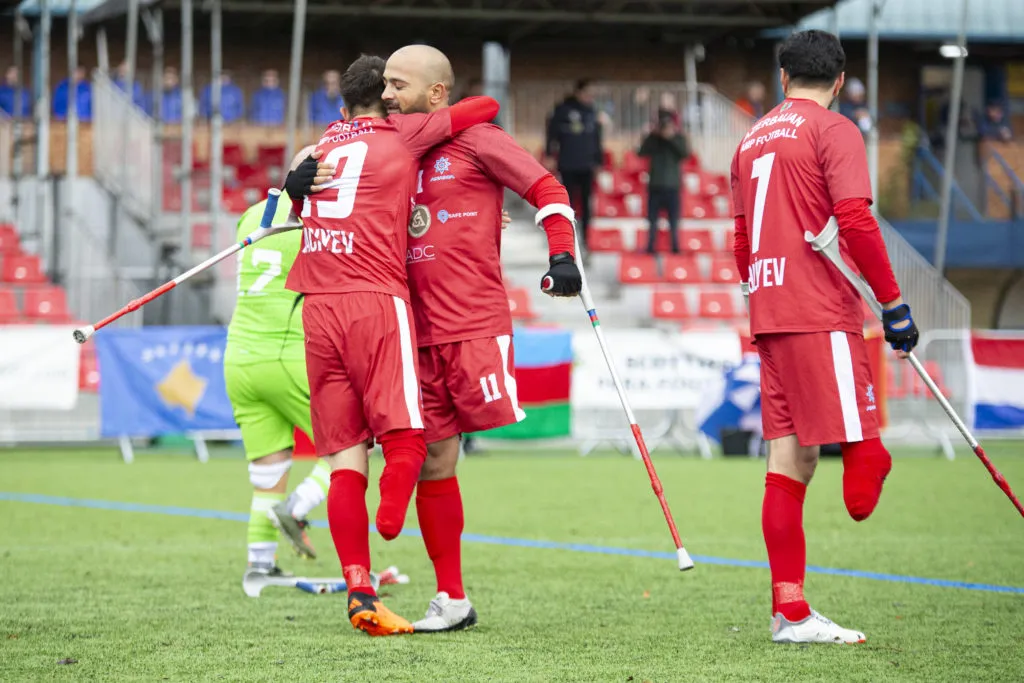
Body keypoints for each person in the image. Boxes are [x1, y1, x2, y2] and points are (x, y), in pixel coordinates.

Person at [283, 54, 499, 637]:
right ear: (386, 97)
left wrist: (291, 177)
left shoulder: (316, 149)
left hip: (316, 305)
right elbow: (483, 108)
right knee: (407, 435)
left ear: (339, 104)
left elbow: (296, 203)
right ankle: (390, 518)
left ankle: (359, 589)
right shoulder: (401, 132)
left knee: (343, 455)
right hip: (375, 299)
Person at [379, 44, 581, 632]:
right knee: (432, 458)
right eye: (384, 84)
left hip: (469, 324)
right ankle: (452, 598)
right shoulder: (385, 146)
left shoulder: (478, 140)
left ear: (437, 94)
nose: (387, 94)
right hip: (405, 327)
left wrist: (562, 255)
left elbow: (548, 189)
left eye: (398, 84)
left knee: (446, 454)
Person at [730, 29, 919, 645]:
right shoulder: (834, 128)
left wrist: (762, 288)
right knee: (858, 450)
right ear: (839, 81)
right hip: (817, 304)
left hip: (769, 305)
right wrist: (892, 301)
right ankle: (869, 455)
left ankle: (790, 612)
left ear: (783, 77)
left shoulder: (751, 136)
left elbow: (739, 237)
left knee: (792, 459)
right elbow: (856, 217)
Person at [225, 153, 335, 585]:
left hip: (239, 358)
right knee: (355, 445)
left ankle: (259, 565)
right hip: (287, 354)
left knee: (268, 471)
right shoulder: (318, 221)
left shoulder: (252, 215)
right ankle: (299, 506)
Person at [545, 79, 603, 251]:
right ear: (578, 92)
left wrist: (599, 161)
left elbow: (597, 139)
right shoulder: (563, 110)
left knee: (586, 203)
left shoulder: (592, 112)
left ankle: (585, 239)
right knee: (567, 202)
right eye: (587, 93)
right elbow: (551, 134)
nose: (590, 97)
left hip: (587, 165)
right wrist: (549, 154)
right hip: (568, 163)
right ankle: (567, 239)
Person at [638, 106, 689, 254]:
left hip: (672, 186)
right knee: (652, 220)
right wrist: (652, 135)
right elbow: (641, 152)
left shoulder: (678, 138)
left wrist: (671, 138)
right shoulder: (654, 139)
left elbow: (684, 154)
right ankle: (650, 247)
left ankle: (675, 247)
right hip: (655, 185)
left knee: (674, 221)